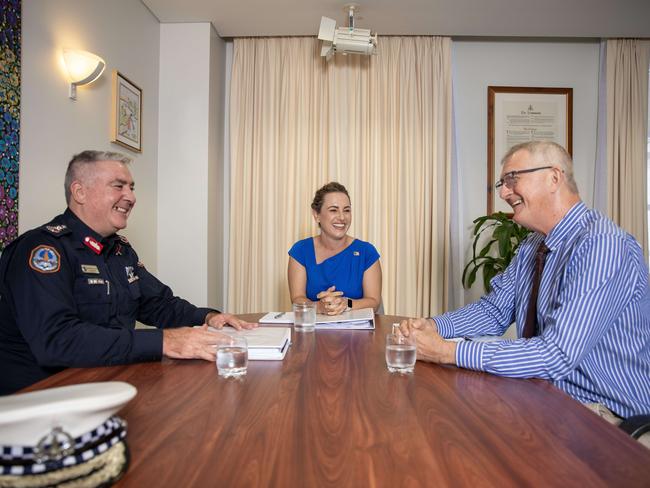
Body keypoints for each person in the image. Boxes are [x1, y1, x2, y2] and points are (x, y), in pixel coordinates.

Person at [400, 141, 650, 426]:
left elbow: (557, 354)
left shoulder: (602, 245)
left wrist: (446, 351)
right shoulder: (533, 245)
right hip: (549, 396)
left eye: (512, 179)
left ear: (553, 178)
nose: (504, 192)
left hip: (608, 416)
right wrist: (433, 326)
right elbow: (494, 311)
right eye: (502, 183)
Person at [0, 150, 255, 394]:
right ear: (80, 192)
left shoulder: (120, 250)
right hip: (43, 398)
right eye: (118, 186)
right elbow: (58, 340)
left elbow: (159, 305)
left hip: (108, 382)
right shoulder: (43, 250)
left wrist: (208, 317)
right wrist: (165, 341)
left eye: (131, 187)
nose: (131, 197)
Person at [288, 182, 382, 315]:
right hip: (313, 332)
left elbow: (374, 302)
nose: (342, 217)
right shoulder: (300, 251)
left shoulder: (366, 252)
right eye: (333, 210)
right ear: (317, 215)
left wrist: (346, 303)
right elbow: (297, 299)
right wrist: (319, 307)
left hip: (357, 334)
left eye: (347, 210)